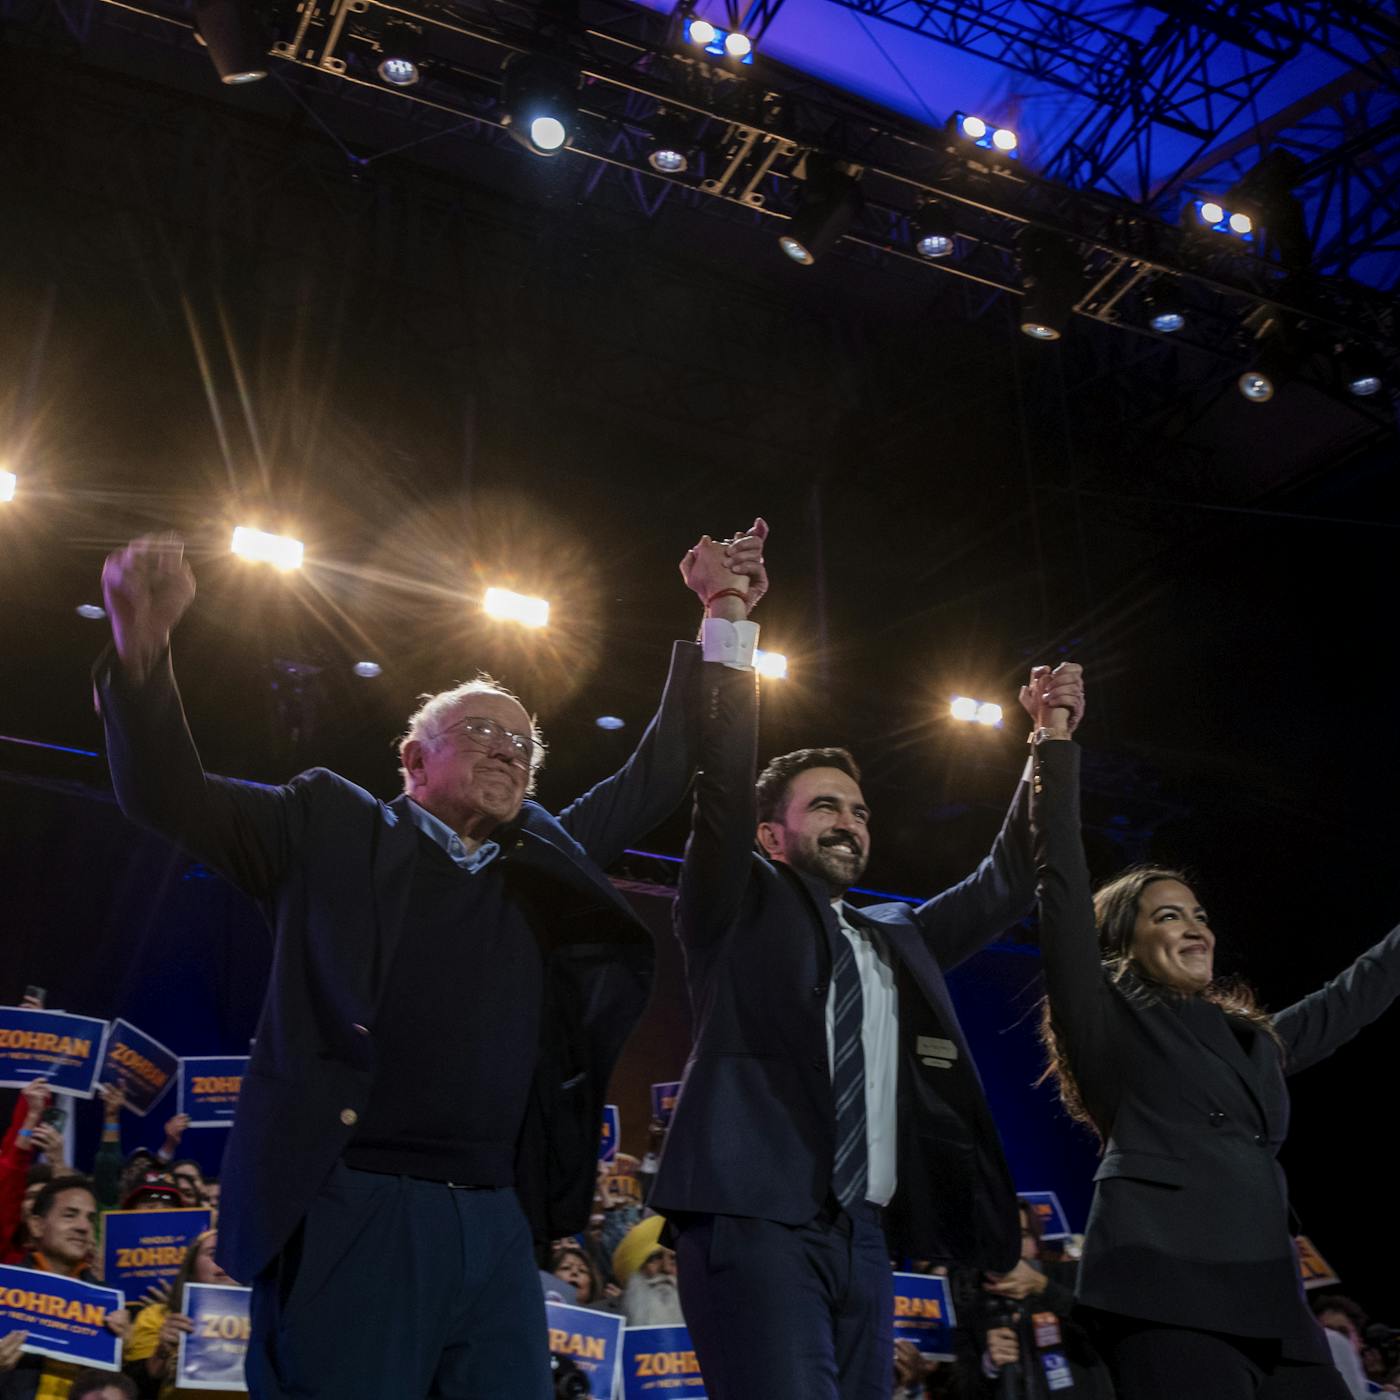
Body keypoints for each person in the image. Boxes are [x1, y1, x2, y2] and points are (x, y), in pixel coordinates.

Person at [94, 525, 767, 1400]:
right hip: (355, 1205)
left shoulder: (547, 860)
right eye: (481, 730)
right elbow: (167, 793)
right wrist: (142, 650)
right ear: (414, 760)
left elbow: (664, 765)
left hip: (495, 1221)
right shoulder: (328, 826)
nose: (507, 750)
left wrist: (724, 609)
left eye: (523, 745)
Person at [648, 537, 1086, 1400]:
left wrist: (1051, 741)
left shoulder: (898, 934)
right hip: (753, 1217)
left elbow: (1009, 878)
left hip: (866, 1237)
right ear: (771, 836)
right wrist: (727, 616)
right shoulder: (735, 904)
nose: (849, 822)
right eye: (824, 807)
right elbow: (723, 785)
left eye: (858, 811)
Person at [1029, 664, 1400, 1399]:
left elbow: (1354, 995)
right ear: (1120, 943)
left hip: (1271, 1292)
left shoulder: (1253, 1041)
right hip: (1163, 1285)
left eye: (1199, 915)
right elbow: (1061, 877)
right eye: (1168, 917)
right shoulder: (1103, 1014)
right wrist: (1053, 741)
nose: (1196, 928)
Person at [0, 1177, 130, 1400]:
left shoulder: (107, 1302)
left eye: (90, 1218)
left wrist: (122, 1354)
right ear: (36, 1226)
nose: (83, 1227)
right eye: (70, 1215)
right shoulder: (4, 1288)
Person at [125, 1229, 238, 1400]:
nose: (224, 1260)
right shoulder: (156, 1317)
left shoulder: (269, 1320)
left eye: (234, 1253)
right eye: (214, 1253)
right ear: (191, 1270)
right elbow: (133, 1388)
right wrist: (162, 1353)